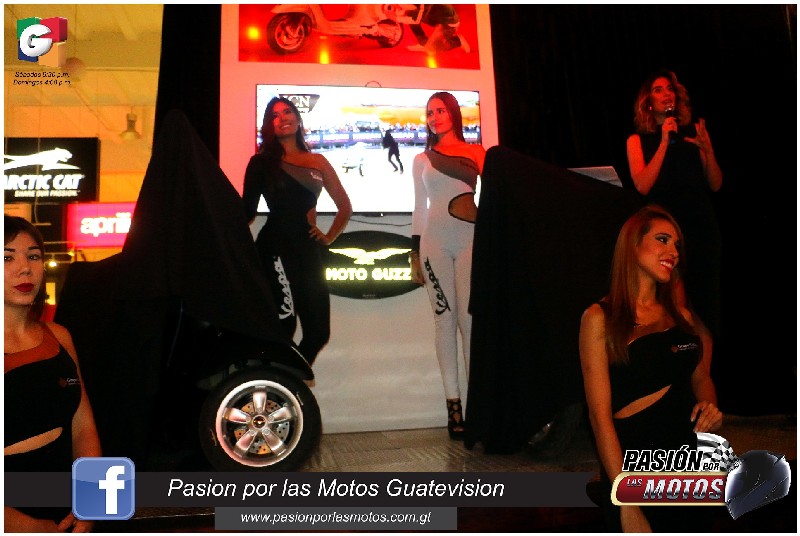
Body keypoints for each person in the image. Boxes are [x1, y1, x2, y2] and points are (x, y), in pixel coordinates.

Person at [579, 205, 723, 532]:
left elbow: (702, 378)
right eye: (662, 240)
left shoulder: (683, 317)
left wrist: (710, 409)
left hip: (692, 463)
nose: (673, 252)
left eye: (676, 245)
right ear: (633, 245)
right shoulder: (599, 318)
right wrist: (627, 503)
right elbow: (599, 418)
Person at [4, 215, 102, 532]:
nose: (25, 268)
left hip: (67, 508)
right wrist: (24, 526)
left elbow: (83, 427)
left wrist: (93, 502)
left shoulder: (59, 336)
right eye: (7, 257)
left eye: (33, 256)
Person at [243, 97, 352, 366]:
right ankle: (267, 377)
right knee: (285, 324)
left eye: (287, 112)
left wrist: (329, 236)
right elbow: (246, 213)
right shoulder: (261, 163)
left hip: (308, 250)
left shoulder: (318, 161)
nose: (283, 118)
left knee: (318, 332)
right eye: (275, 115)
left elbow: (344, 206)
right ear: (269, 125)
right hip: (274, 249)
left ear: (298, 117)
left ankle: (285, 378)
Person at [626, 69, 723, 342]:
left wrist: (708, 149)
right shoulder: (637, 141)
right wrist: (663, 142)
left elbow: (716, 184)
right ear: (648, 102)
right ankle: (678, 354)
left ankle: (706, 361)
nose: (666, 94)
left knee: (706, 301)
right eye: (658, 90)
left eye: (669, 89)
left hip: (701, 224)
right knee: (675, 301)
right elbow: (642, 185)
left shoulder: (694, 133)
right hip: (666, 230)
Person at [410, 91, 485, 440]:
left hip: (470, 240)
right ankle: (453, 407)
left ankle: (478, 406)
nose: (435, 117)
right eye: (430, 113)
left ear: (453, 113)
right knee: (445, 321)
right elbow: (419, 207)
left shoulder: (477, 152)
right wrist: (414, 253)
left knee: (470, 322)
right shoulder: (421, 159)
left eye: (440, 110)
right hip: (433, 244)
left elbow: (496, 196)